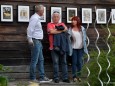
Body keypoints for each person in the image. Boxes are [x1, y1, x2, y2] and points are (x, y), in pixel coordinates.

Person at [27, 5, 52, 83]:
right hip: (35, 41)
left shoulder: (37, 18)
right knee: (34, 60)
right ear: (40, 11)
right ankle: (32, 78)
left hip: (38, 41)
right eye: (43, 10)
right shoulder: (34, 18)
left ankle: (42, 77)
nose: (43, 12)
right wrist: (29, 39)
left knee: (41, 59)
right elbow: (30, 29)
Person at [47, 11, 70, 83]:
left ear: (59, 18)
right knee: (55, 63)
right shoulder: (49, 24)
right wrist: (61, 30)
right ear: (52, 18)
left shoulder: (62, 24)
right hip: (53, 47)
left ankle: (65, 78)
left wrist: (57, 30)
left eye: (57, 17)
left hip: (63, 47)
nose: (56, 18)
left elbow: (66, 29)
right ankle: (56, 78)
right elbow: (51, 32)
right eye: (54, 17)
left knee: (64, 62)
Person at [68, 16, 88, 82]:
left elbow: (84, 38)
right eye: (72, 20)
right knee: (74, 62)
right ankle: (74, 76)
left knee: (80, 62)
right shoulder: (70, 29)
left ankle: (79, 76)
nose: (73, 21)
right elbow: (68, 39)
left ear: (77, 21)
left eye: (74, 20)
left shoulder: (82, 28)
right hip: (73, 48)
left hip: (81, 48)